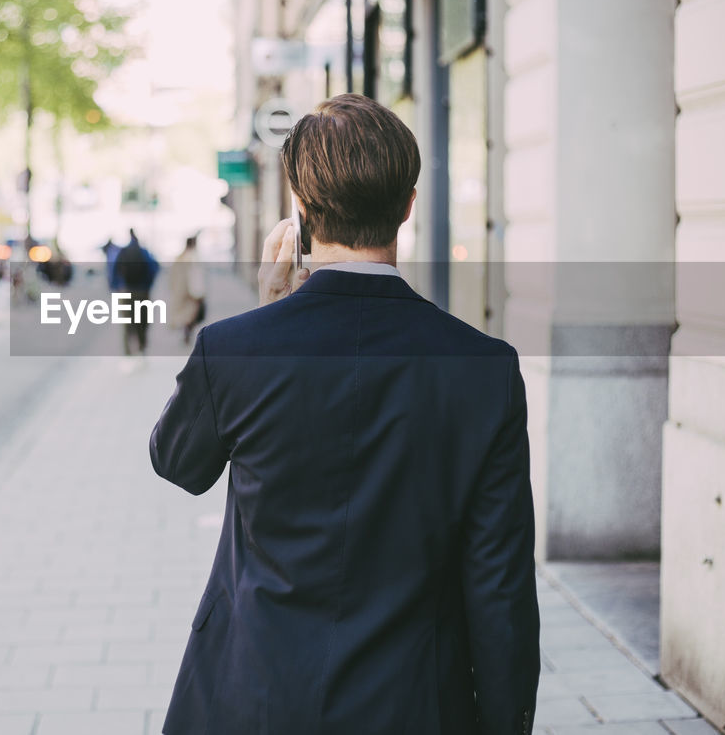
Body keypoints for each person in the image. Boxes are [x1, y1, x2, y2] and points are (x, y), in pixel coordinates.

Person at [149, 93, 539, 734]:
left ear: (301, 212)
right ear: (408, 207)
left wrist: (267, 305)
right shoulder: (484, 368)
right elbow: (500, 587)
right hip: (413, 705)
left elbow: (179, 463)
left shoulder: (235, 349)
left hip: (253, 694)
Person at [114, 229, 159, 357]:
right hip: (142, 291)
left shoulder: (122, 252)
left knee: (127, 324)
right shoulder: (143, 252)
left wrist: (118, 287)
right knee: (142, 322)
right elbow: (154, 267)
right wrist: (148, 285)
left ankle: (127, 353)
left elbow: (114, 271)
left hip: (126, 291)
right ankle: (141, 348)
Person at [167, 235, 206, 345]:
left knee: (185, 316)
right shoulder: (192, 257)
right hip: (190, 293)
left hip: (180, 292)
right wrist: (199, 293)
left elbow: (172, 276)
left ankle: (186, 334)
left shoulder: (179, 257)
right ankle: (187, 334)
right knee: (190, 315)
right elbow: (195, 277)